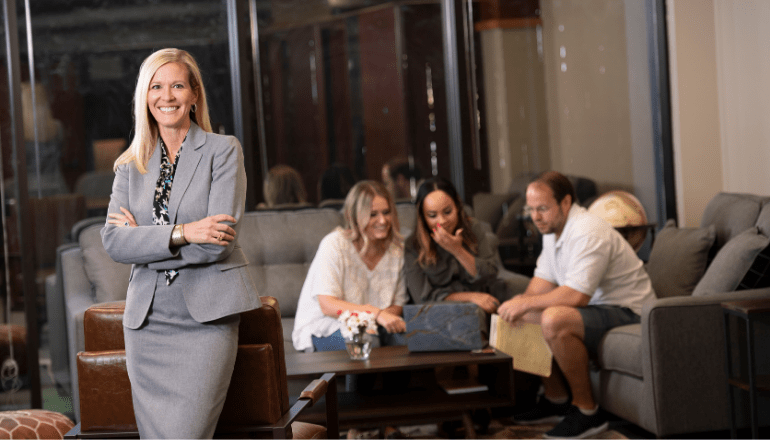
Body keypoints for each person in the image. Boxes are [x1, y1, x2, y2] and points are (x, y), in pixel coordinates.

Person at [101, 48, 261, 439]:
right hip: (148, 323)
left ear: (194, 95)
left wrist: (145, 240)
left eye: (176, 86)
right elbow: (114, 242)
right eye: (156, 87)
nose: (166, 96)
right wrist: (184, 232)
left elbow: (217, 244)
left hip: (205, 322)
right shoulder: (130, 164)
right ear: (145, 97)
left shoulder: (223, 151)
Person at [497, 171, 654, 439]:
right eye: (532, 209)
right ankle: (556, 399)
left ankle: (587, 412)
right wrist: (519, 304)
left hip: (628, 311)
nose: (536, 217)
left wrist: (527, 304)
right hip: (597, 308)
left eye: (543, 208)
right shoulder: (552, 230)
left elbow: (576, 297)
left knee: (553, 318)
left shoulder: (588, 231)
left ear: (566, 203)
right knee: (520, 313)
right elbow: (542, 280)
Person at [293, 180, 407, 352]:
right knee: (364, 340)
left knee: (406, 339)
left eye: (386, 212)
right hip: (326, 325)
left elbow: (397, 305)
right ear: (354, 216)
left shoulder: (397, 250)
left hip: (374, 325)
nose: (383, 220)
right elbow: (327, 305)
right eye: (373, 214)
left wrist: (378, 319)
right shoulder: (334, 244)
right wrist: (375, 314)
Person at [404, 177, 527, 314]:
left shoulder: (473, 228)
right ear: (423, 216)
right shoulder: (412, 245)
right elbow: (423, 298)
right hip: (443, 308)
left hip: (485, 294)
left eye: (447, 212)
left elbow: (490, 273)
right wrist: (471, 297)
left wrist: (458, 251)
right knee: (474, 312)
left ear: (457, 207)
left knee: (521, 299)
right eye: (433, 215)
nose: (442, 221)